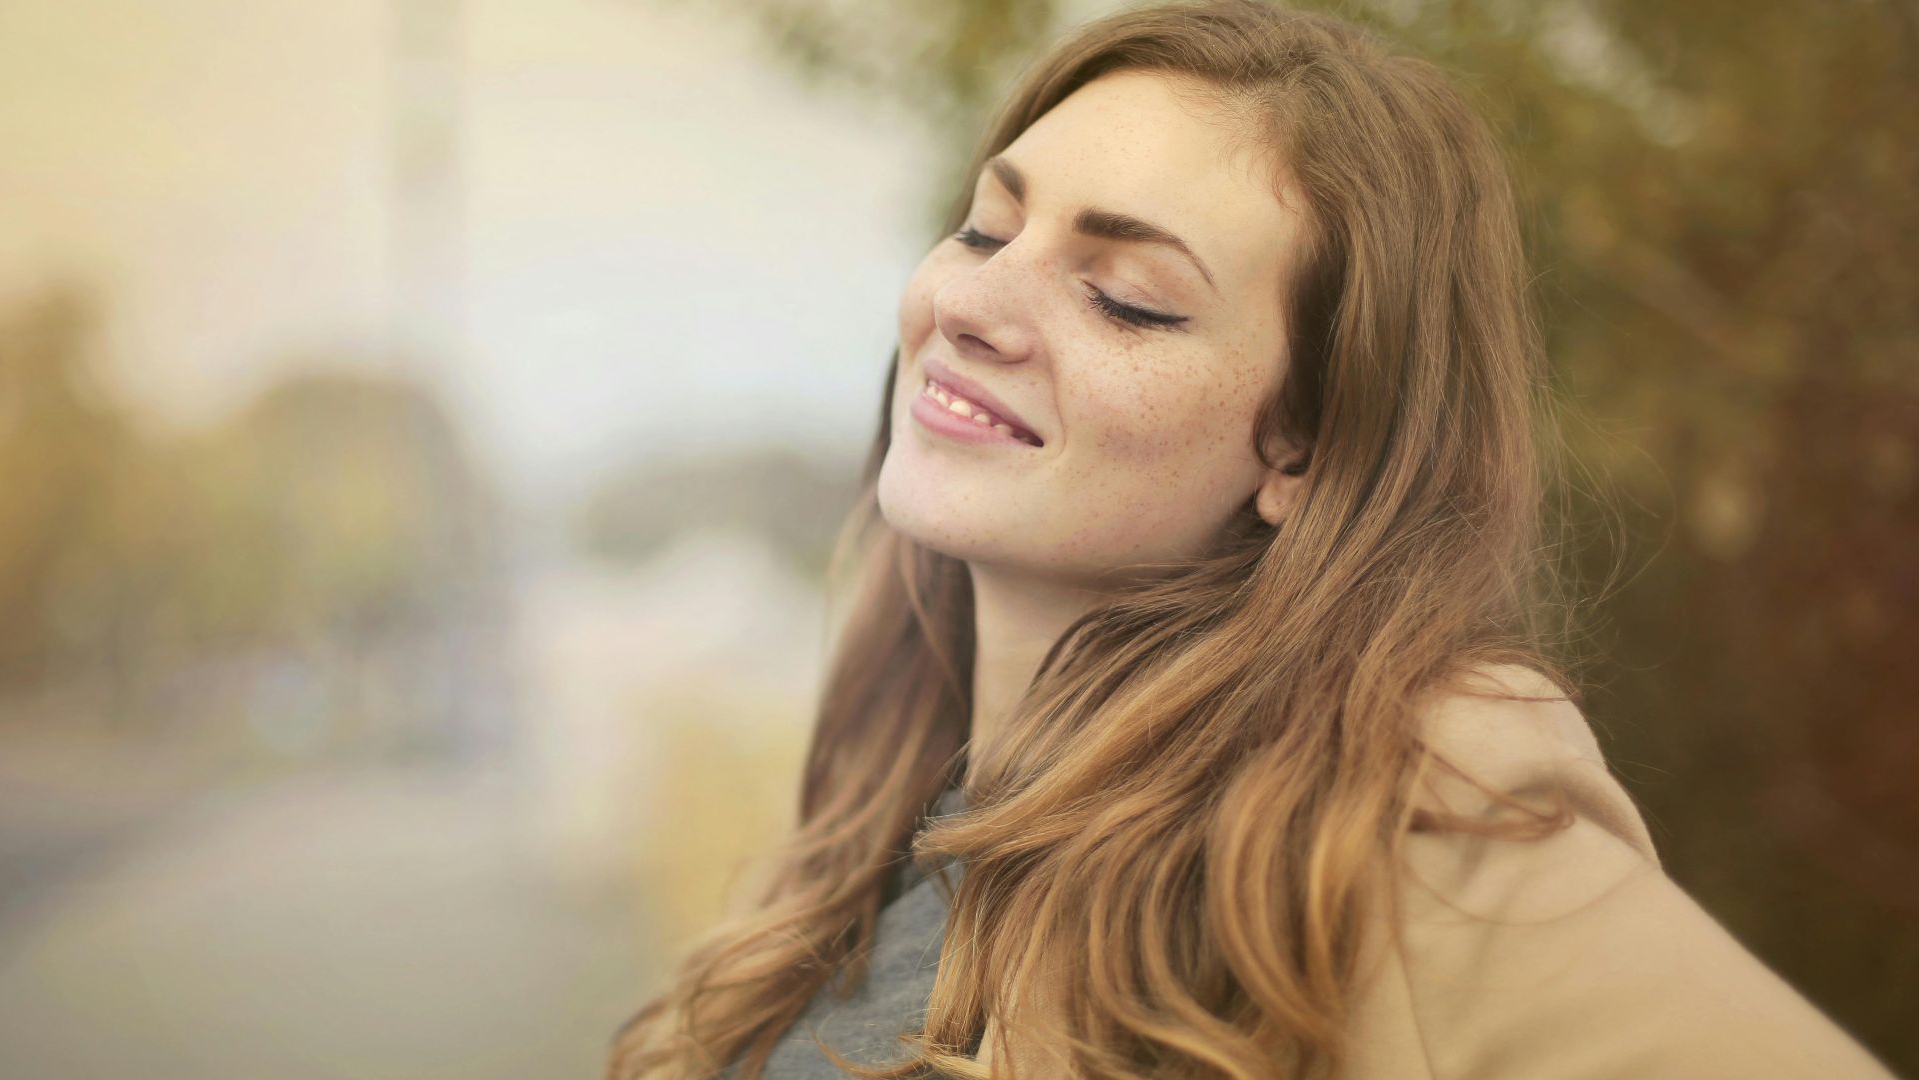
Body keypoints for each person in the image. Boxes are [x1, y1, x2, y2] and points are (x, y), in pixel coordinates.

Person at [606, 2, 1901, 1077]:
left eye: (1125, 300)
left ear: (1304, 447)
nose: (974, 303)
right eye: (988, 227)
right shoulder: (884, 806)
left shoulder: (1408, 836)